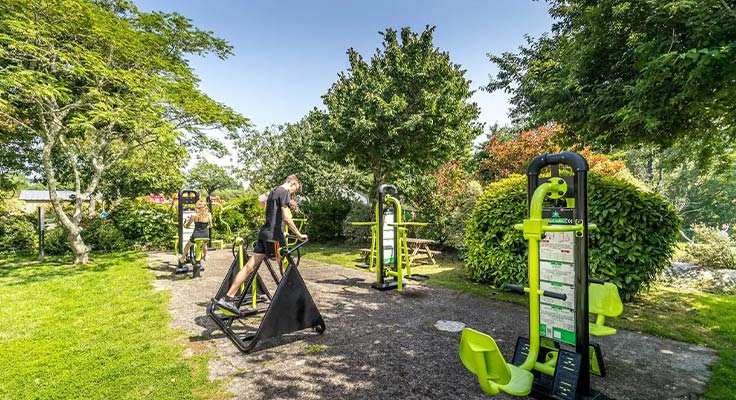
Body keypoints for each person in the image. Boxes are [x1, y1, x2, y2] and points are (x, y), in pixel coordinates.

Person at [214, 175, 307, 315]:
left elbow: (272, 216)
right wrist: (299, 234)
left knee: (249, 267)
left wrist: (283, 232)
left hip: (265, 235)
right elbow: (286, 217)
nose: (293, 192)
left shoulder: (273, 192)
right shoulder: (284, 192)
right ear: (292, 183)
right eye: (295, 189)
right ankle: (292, 303)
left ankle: (228, 298)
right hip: (274, 238)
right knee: (286, 267)